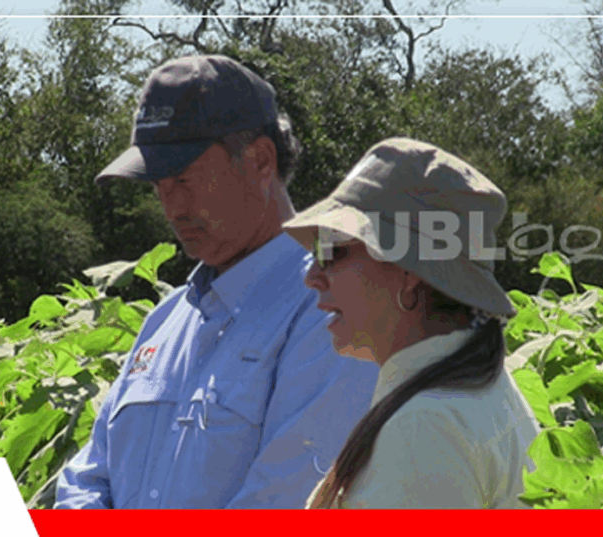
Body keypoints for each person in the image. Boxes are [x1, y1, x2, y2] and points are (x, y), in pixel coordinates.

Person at [54, 55, 379, 509]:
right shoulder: (164, 322)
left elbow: (287, 503)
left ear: (260, 160)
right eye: (159, 185)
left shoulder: (329, 310)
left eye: (184, 179)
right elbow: (86, 478)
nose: (171, 207)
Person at [281, 137, 541, 509]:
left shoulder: (425, 426)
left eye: (332, 250)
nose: (313, 276)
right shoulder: (474, 387)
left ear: (409, 273)